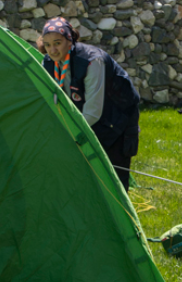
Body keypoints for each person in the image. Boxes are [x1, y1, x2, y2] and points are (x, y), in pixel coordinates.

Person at [39, 17, 141, 188]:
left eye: (57, 43)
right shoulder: (48, 63)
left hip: (117, 118)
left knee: (113, 178)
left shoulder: (92, 61)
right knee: (85, 177)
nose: (53, 50)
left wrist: (70, 136)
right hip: (87, 119)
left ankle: (119, 214)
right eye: (47, 45)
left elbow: (93, 111)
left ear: (69, 40)